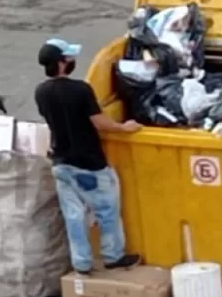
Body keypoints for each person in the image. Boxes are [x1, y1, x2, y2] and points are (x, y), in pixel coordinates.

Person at [35, 38, 142, 275]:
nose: (73, 61)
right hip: (89, 163)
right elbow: (99, 122)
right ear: (62, 63)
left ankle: (81, 263)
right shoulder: (80, 90)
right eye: (70, 58)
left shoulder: (41, 91)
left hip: (61, 163)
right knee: (107, 210)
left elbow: (53, 122)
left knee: (74, 215)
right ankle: (113, 256)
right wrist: (124, 127)